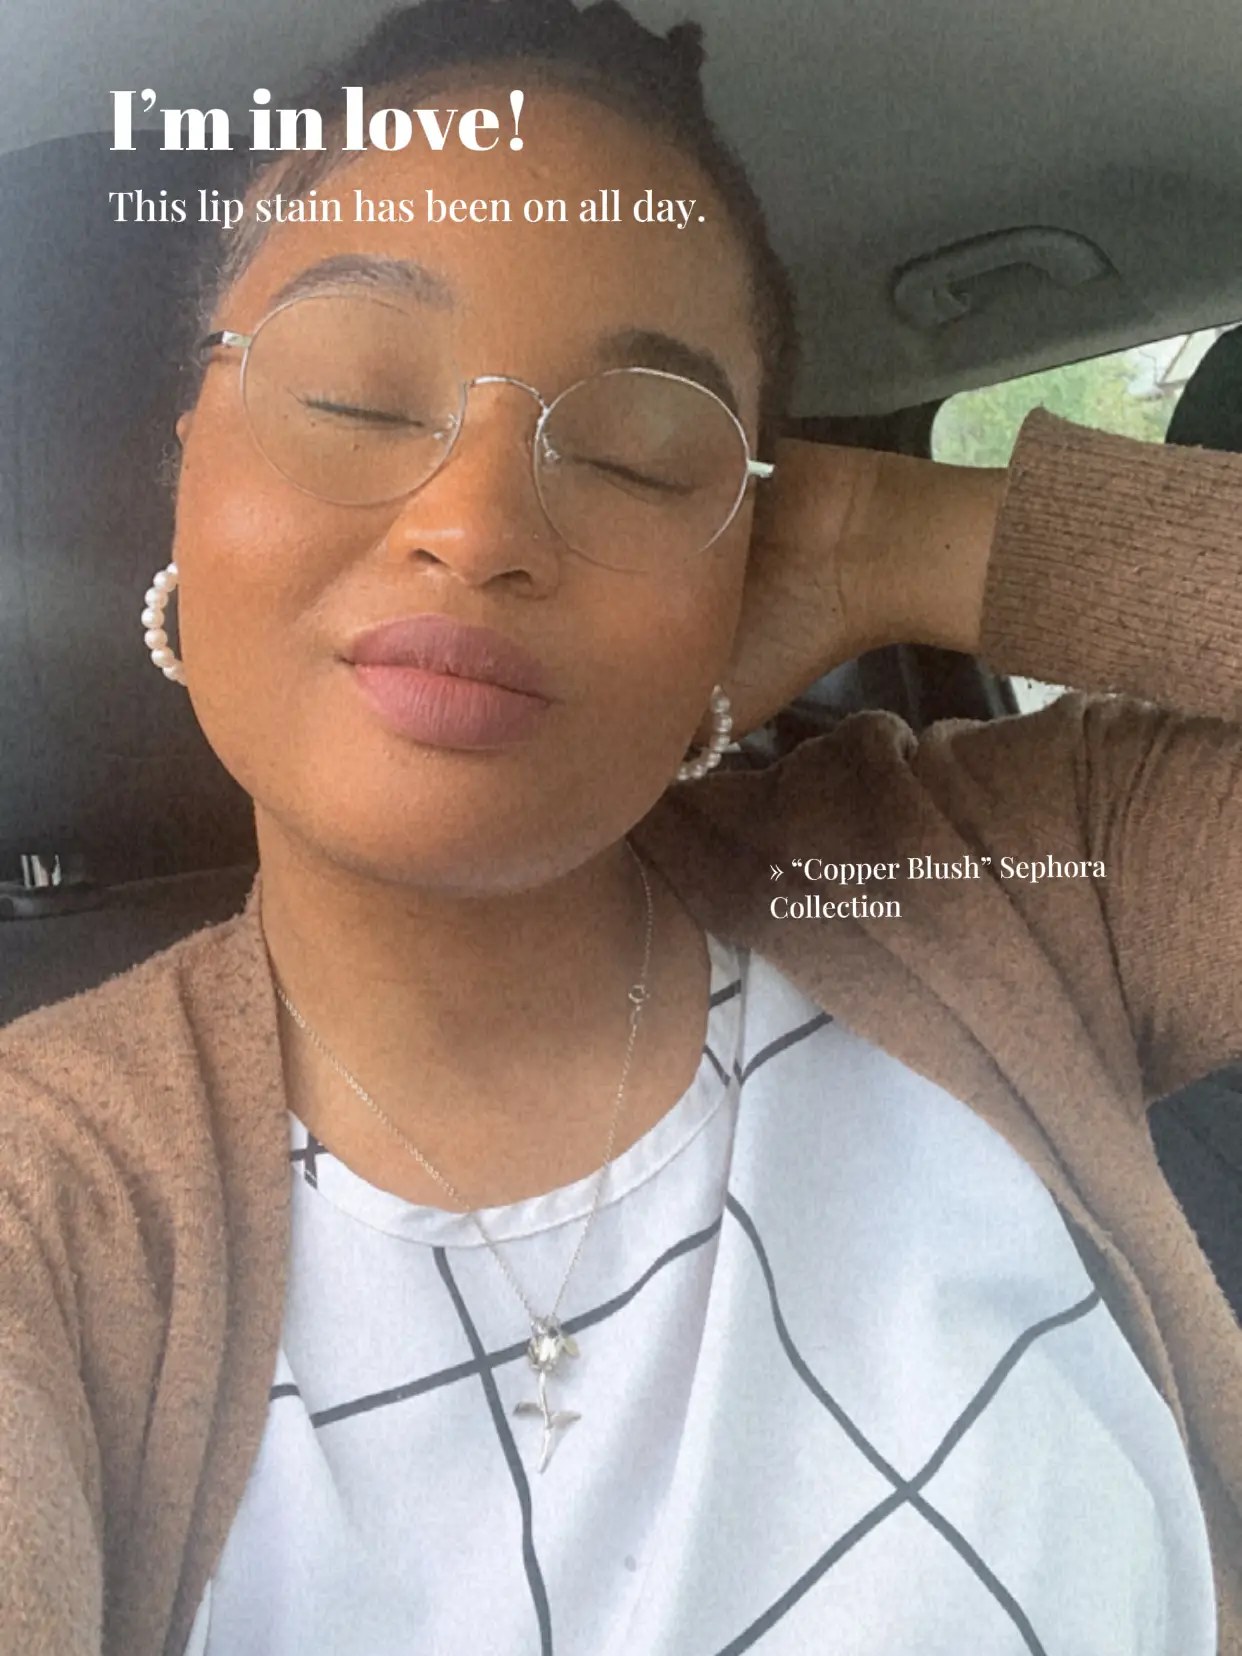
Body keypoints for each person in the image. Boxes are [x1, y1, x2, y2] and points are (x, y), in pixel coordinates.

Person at [2, 2, 1241, 1652]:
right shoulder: (44, 1205)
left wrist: (886, 531)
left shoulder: (996, 883)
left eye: (644, 457)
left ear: (749, 550)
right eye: (357, 399)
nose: (476, 524)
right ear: (187, 473)